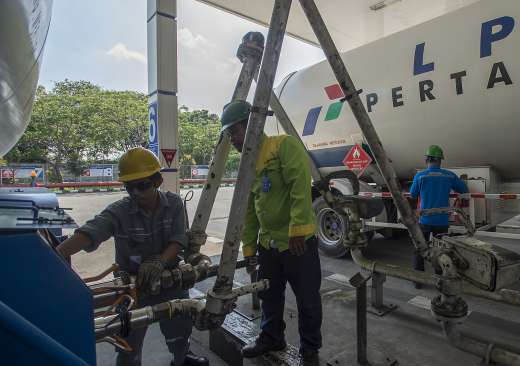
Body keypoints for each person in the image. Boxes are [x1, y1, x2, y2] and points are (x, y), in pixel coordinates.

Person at [56, 147, 209, 366]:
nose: (136, 193)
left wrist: (160, 261)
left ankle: (182, 358)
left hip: (171, 282)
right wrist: (55, 256)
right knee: (128, 341)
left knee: (179, 329)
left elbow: (178, 240)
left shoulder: (174, 204)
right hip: (132, 289)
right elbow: (91, 232)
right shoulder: (119, 211)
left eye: (142, 185)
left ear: (157, 181)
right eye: (129, 187)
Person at [221, 100, 322, 365]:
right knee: (269, 295)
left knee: (308, 300)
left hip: (297, 242)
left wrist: (298, 228)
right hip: (269, 244)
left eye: (235, 131)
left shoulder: (282, 146)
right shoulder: (247, 164)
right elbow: (251, 211)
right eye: (229, 134)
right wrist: (251, 249)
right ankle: (271, 337)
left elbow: (300, 186)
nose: (232, 139)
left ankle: (310, 349)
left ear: (252, 126)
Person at [409, 145, 468, 288]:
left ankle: (418, 280)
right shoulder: (449, 175)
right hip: (442, 220)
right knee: (441, 250)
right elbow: (463, 189)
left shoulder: (420, 175)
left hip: (425, 220)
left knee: (420, 249)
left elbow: (412, 194)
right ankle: (439, 278)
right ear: (440, 161)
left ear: (426, 159)